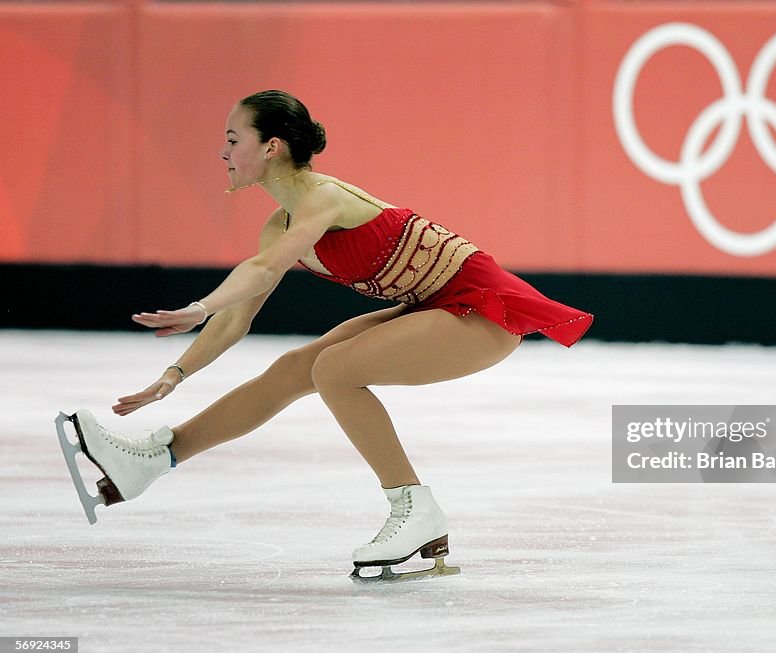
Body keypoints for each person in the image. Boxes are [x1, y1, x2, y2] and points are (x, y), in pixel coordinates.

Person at [61, 90, 593, 582]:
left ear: (270, 147)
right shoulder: (282, 223)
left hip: (484, 312)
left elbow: (265, 270)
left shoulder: (322, 197)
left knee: (335, 369)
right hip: (435, 305)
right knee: (297, 368)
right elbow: (236, 320)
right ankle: (153, 459)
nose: (222, 151)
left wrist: (198, 305)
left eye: (232, 139)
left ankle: (414, 508)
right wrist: (175, 374)